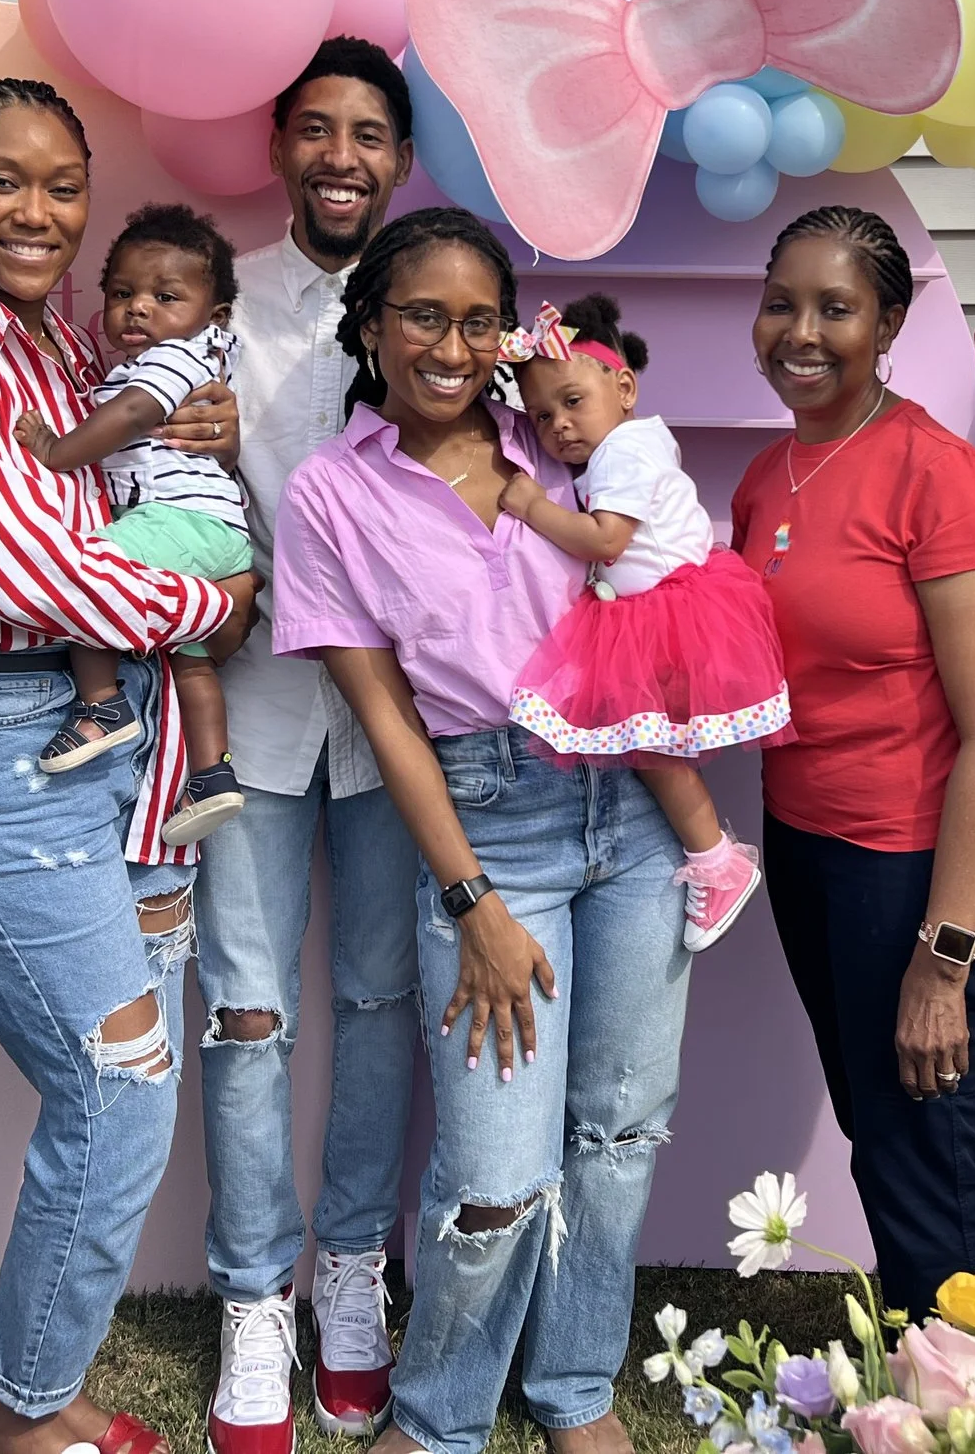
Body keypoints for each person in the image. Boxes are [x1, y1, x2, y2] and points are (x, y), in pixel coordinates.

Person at [0, 77, 260, 1454]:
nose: (39, 209)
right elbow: (5, 561)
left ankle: (53, 1383)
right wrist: (217, 606)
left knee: (122, 1085)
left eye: (63, 185)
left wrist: (210, 456)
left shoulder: (54, 348)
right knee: (118, 1082)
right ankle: (17, 1418)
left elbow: (129, 517)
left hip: (124, 750)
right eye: (5, 180)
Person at [276, 206, 688, 1454]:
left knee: (615, 1131)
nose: (451, 345)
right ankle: (440, 1417)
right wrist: (471, 905)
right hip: (490, 819)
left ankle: (574, 1391)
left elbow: (656, 566)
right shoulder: (330, 494)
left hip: (633, 799)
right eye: (422, 316)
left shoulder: (565, 430)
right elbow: (388, 721)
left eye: (475, 320)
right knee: (496, 1175)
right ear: (371, 326)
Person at [728, 203, 975, 1319]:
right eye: (780, 304)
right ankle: (922, 1378)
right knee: (877, 1121)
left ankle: (966, 1406)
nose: (799, 332)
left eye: (835, 308)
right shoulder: (768, 476)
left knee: (920, 1145)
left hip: (910, 865)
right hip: (803, 845)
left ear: (890, 322)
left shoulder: (936, 477)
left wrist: (943, 959)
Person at [196, 38, 423, 1454]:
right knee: (248, 1011)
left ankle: (351, 1266)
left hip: (404, 722)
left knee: (388, 997)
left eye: (370, 134)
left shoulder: (443, 306)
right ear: (281, 147)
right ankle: (251, 1294)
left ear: (401, 160)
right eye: (318, 130)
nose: (343, 155)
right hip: (259, 709)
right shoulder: (215, 306)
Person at [500, 290, 782, 948]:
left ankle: (718, 860)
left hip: (666, 617)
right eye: (541, 416)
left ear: (623, 387)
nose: (558, 426)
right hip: (660, 611)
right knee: (648, 751)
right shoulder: (626, 443)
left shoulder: (624, 452)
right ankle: (714, 854)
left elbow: (604, 540)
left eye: (573, 402)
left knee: (652, 754)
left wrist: (529, 505)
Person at [14, 202, 252, 844]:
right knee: (192, 663)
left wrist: (55, 450)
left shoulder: (176, 360)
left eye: (164, 295)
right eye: (122, 293)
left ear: (215, 316)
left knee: (87, 571)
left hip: (184, 521)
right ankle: (213, 773)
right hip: (204, 534)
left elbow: (130, 418)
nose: (138, 307)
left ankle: (101, 703)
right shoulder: (130, 365)